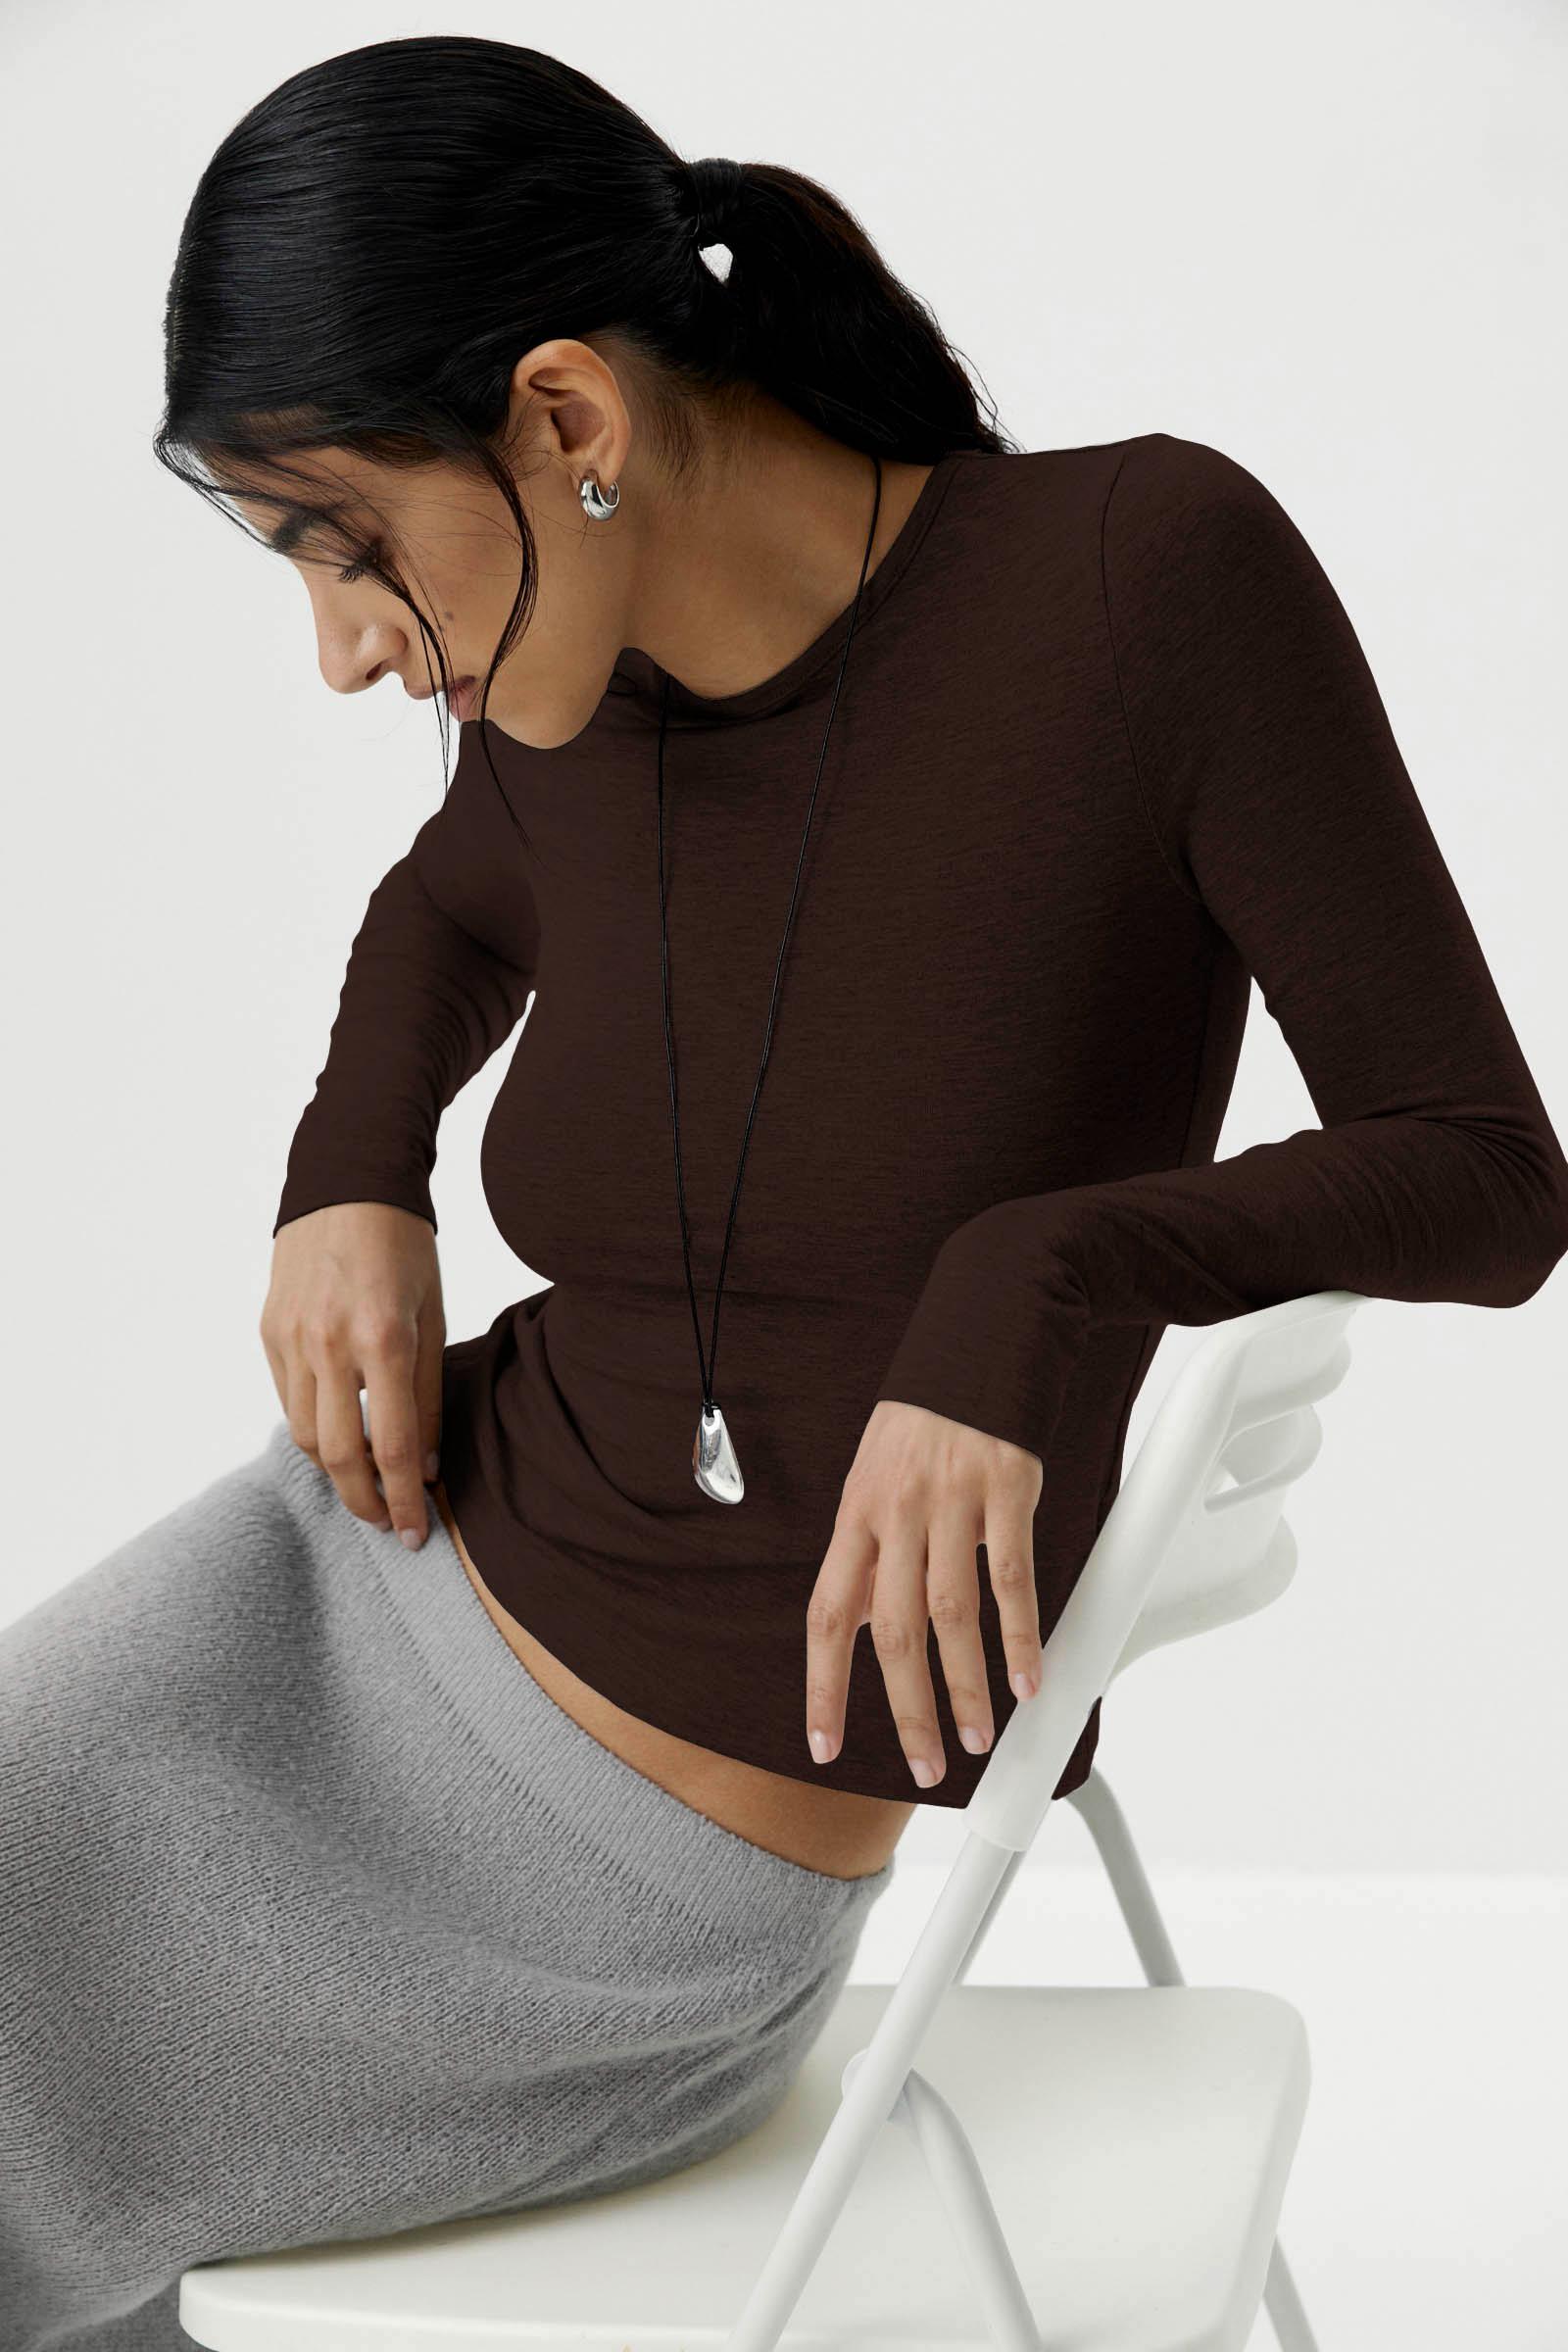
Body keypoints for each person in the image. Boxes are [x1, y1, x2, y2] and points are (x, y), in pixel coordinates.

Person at [6, 32, 1567, 2351]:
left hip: (615, 1903)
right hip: (325, 1594)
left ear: (563, 415)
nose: (340, 652)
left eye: (344, 545)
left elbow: (1482, 1173)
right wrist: (350, 1169)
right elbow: (445, 909)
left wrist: (1042, 1275)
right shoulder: (570, 682)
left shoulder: (1144, 586)